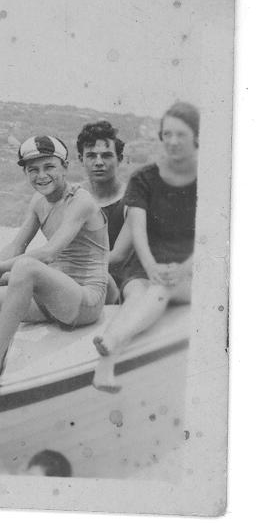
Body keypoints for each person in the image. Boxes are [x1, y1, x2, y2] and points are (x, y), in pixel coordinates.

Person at [0, 135, 109, 399]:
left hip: (85, 301)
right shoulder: (38, 202)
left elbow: (50, 253)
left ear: (65, 166)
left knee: (26, 268)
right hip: (50, 300)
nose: (41, 175)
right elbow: (16, 246)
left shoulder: (82, 201)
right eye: (33, 170)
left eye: (49, 167)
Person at [93, 102, 198, 392]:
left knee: (162, 288)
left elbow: (208, 239)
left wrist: (181, 269)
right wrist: (151, 266)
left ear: (196, 137)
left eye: (181, 134)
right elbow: (137, 230)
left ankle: (111, 344)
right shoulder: (144, 178)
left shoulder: (208, 180)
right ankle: (104, 370)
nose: (173, 141)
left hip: (192, 271)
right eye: (168, 134)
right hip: (143, 266)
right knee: (138, 293)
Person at [76, 120, 133, 296]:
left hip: (118, 285)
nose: (99, 162)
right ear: (81, 159)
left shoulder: (132, 200)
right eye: (91, 155)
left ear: (120, 159)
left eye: (107, 155)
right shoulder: (74, 196)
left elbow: (118, 257)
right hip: (77, 278)